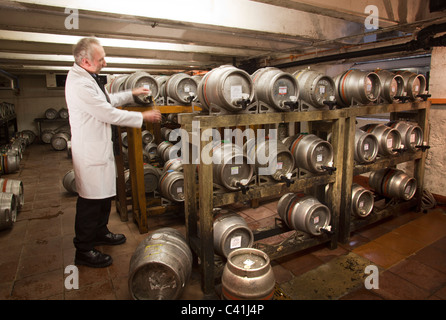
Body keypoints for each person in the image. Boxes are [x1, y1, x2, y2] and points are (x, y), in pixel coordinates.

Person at [65, 37, 162, 268]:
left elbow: (108, 99)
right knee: (90, 202)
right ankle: (84, 249)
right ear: (86, 61)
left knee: (103, 198)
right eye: (101, 59)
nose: (105, 63)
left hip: (98, 149)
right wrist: (142, 117)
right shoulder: (79, 84)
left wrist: (132, 93)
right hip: (90, 153)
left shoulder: (86, 78)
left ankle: (100, 232)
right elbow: (107, 112)